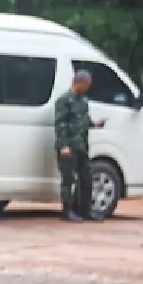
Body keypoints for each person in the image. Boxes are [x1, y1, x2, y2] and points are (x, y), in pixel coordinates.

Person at [54, 68, 94, 222]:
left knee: (86, 179)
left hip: (82, 146)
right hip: (69, 146)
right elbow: (60, 123)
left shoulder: (83, 101)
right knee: (68, 180)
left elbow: (83, 120)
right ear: (79, 82)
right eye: (87, 84)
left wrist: (94, 124)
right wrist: (64, 145)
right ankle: (67, 210)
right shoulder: (64, 101)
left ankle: (85, 210)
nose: (88, 87)